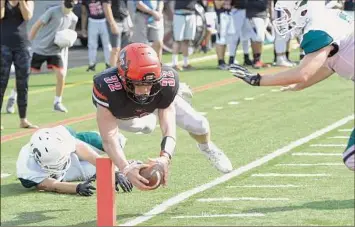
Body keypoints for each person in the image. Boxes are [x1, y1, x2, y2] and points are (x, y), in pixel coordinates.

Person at [231, 0, 354, 171]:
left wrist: (258, 80)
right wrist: (299, 86)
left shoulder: (319, 27)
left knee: (352, 157)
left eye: (288, 12)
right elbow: (329, 66)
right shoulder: (329, 16)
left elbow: (302, 73)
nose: (286, 17)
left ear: (302, 8)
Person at [16, 125, 133, 196]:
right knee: (90, 172)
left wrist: (112, 171)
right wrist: (77, 188)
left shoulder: (61, 137)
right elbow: (49, 185)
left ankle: (122, 163)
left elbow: (83, 150)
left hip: (70, 142)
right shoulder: (26, 170)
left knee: (115, 142)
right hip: (60, 174)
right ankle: (132, 163)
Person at [28, 0, 78, 113]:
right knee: (26, 73)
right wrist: (28, 43)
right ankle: (14, 95)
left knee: (61, 75)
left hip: (56, 51)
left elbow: (69, 36)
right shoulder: (52, 11)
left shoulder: (74, 18)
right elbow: (37, 25)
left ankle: (57, 102)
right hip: (41, 48)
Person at [0, 0, 37, 130]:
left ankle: (23, 120)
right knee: (1, 82)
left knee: (23, 83)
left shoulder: (28, 1)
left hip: (23, 46)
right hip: (4, 45)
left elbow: (28, 16)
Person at [81, 0, 112, 71]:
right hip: (92, 21)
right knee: (91, 44)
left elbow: (108, 8)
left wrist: (111, 23)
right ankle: (92, 64)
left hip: (104, 20)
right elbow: (84, 13)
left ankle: (109, 63)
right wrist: (83, 28)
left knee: (107, 44)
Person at [102, 0, 133, 67]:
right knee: (115, 49)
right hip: (115, 20)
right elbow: (106, 6)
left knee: (125, 49)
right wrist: (112, 23)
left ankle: (124, 71)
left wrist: (129, 21)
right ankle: (112, 72)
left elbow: (126, 5)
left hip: (125, 19)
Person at [171, 0, 198, 71]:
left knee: (187, 40)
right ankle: (174, 64)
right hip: (179, 13)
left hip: (191, 13)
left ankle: (186, 63)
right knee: (177, 40)